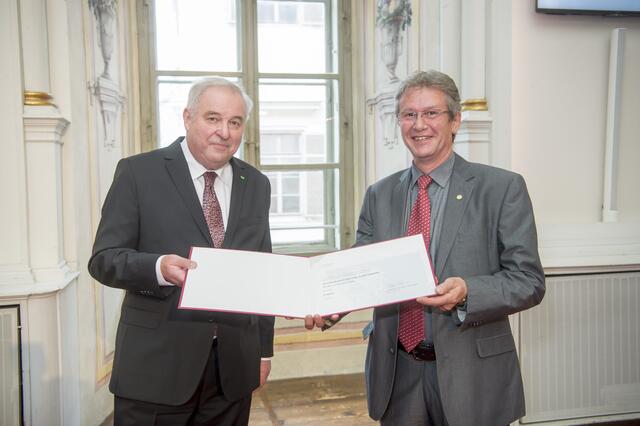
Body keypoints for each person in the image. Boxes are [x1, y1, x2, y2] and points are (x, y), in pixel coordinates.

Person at [306, 70, 545, 426]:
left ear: (455, 121)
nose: (419, 125)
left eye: (431, 113)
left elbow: (528, 281)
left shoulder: (501, 188)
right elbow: (362, 270)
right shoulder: (380, 195)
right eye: (409, 115)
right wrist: (330, 303)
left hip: (472, 375)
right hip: (397, 372)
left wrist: (468, 292)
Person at [89, 77, 274, 425]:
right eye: (213, 118)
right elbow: (104, 259)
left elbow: (260, 273)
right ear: (188, 117)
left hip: (233, 370)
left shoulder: (257, 184)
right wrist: (159, 268)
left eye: (235, 122)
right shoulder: (138, 173)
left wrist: (263, 352)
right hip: (155, 369)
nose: (224, 131)